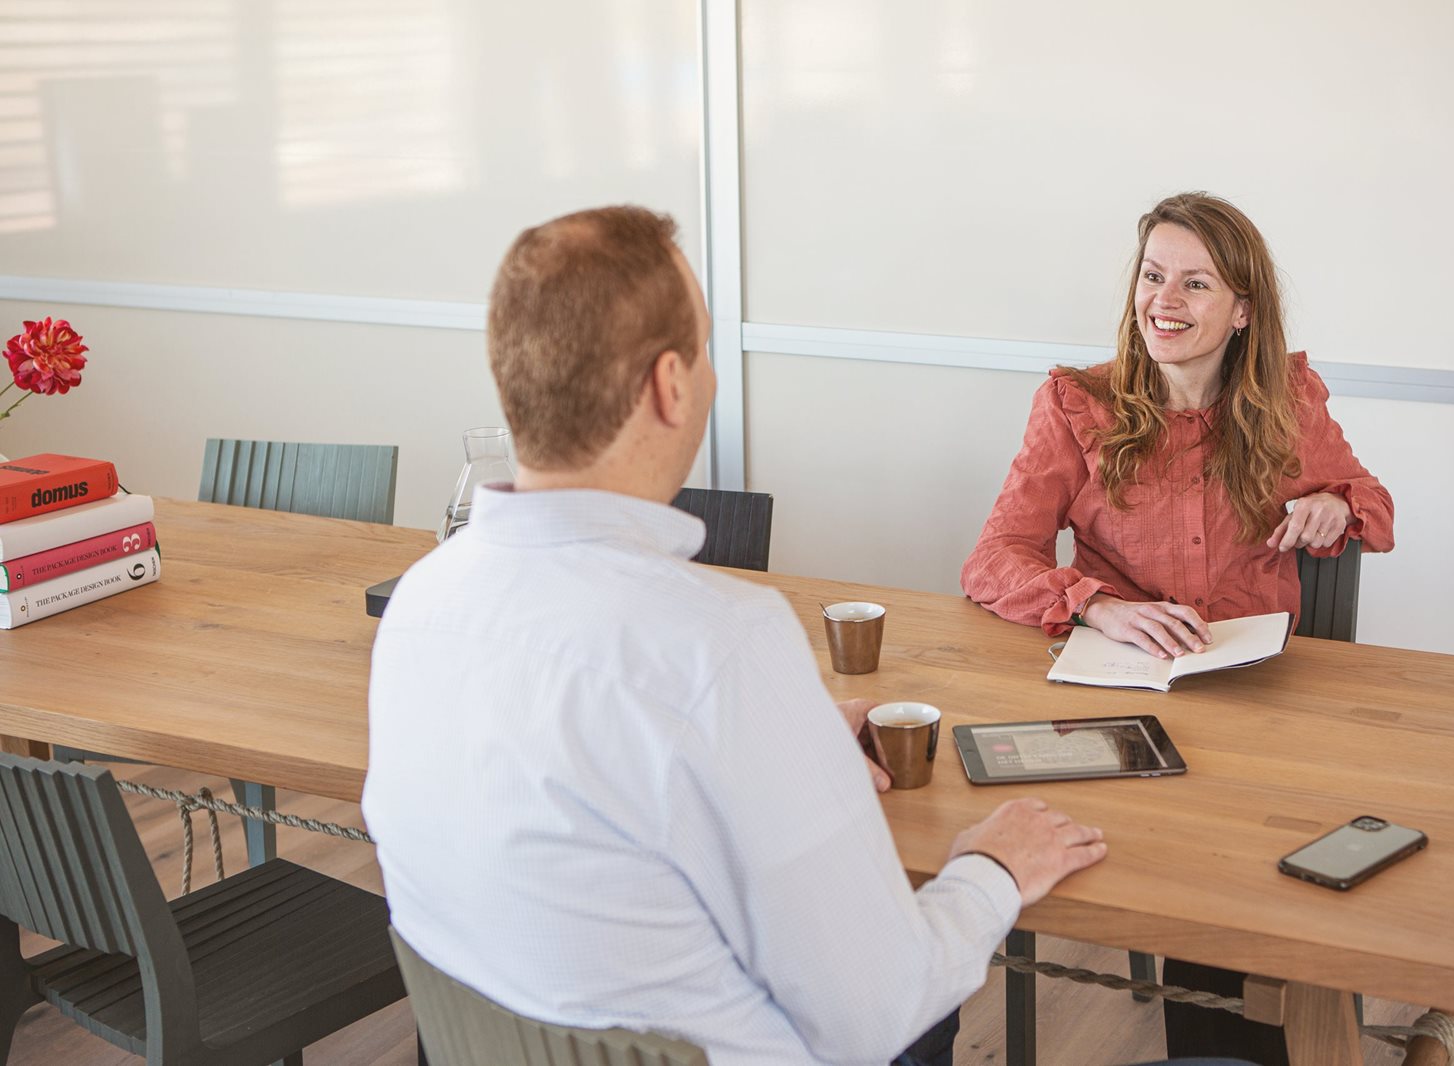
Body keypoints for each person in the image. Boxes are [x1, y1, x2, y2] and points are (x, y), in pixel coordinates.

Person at [362, 205, 1111, 1066]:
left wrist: (782, 749)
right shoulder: (719, 646)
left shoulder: (423, 602)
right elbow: (883, 1013)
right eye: (710, 349)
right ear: (669, 386)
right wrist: (994, 869)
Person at [961, 192, 1395, 1064]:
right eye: (1154, 276)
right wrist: (1096, 603)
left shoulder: (1289, 403)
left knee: (1257, 886)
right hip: (1122, 703)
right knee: (1205, 893)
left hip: (1256, 701)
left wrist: (1326, 504)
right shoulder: (1077, 405)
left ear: (1242, 311)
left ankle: (1263, 1030)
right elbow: (992, 558)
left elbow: (1374, 508)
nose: (1164, 300)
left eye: (1195, 283)